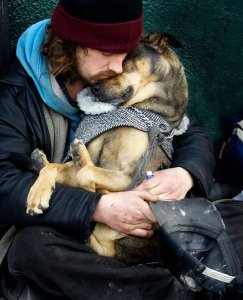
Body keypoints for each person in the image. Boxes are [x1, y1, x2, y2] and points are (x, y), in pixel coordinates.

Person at [0, 0, 215, 299]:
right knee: (30, 250)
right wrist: (97, 209)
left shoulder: (122, 64)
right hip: (67, 227)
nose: (117, 66)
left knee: (231, 217)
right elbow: (5, 186)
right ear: (72, 43)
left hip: (146, 224)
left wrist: (186, 174)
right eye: (106, 53)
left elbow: (190, 129)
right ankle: (172, 290)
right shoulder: (15, 94)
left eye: (125, 55)